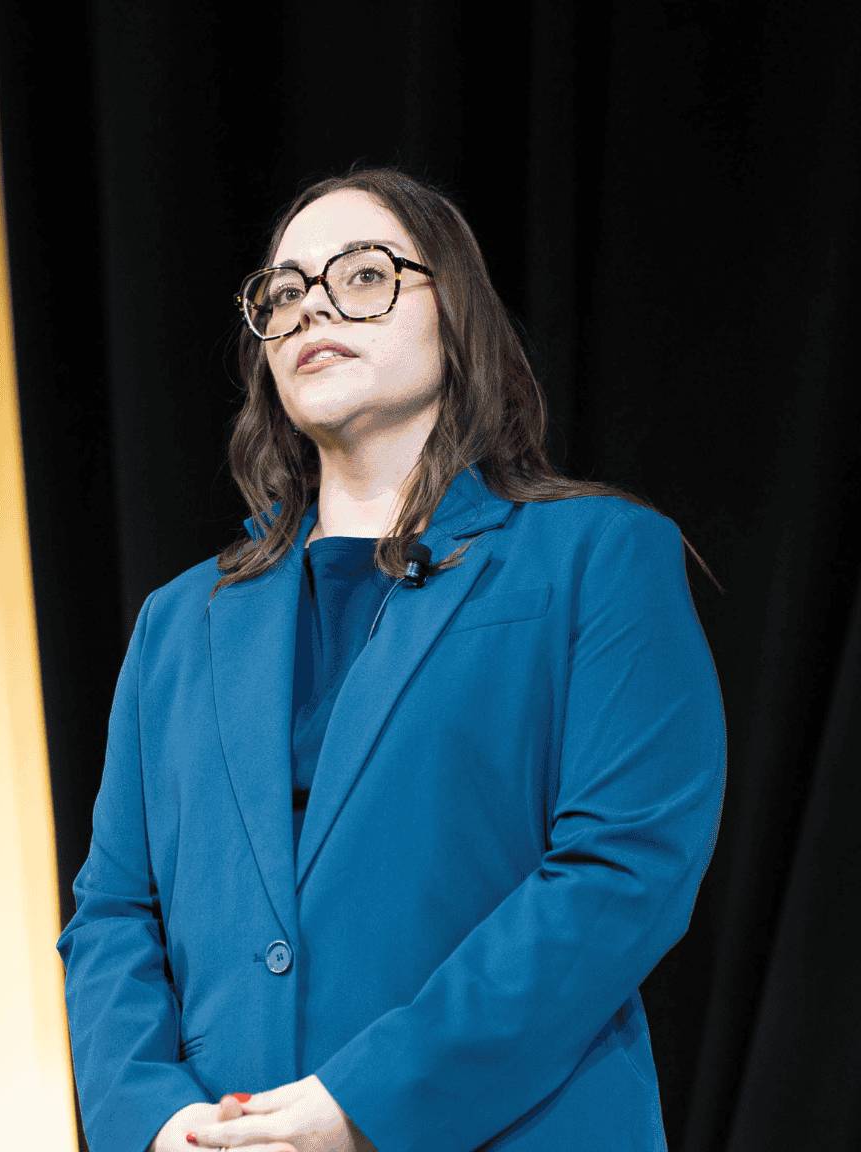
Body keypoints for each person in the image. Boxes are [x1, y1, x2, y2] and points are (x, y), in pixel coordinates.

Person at [56, 166, 725, 1152]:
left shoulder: (595, 556)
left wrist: (363, 1104)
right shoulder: (176, 623)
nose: (309, 308)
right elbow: (112, 911)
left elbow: (620, 872)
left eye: (360, 276)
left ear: (451, 310)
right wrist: (156, 1121)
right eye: (281, 294)